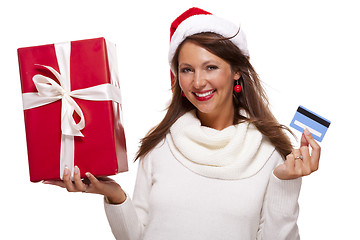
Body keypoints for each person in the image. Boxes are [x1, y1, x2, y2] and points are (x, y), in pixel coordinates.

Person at [45, 7, 321, 240]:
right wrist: (115, 195)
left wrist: (286, 183)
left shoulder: (270, 153)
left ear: (237, 71)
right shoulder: (161, 144)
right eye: (186, 69)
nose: (197, 82)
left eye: (210, 67)